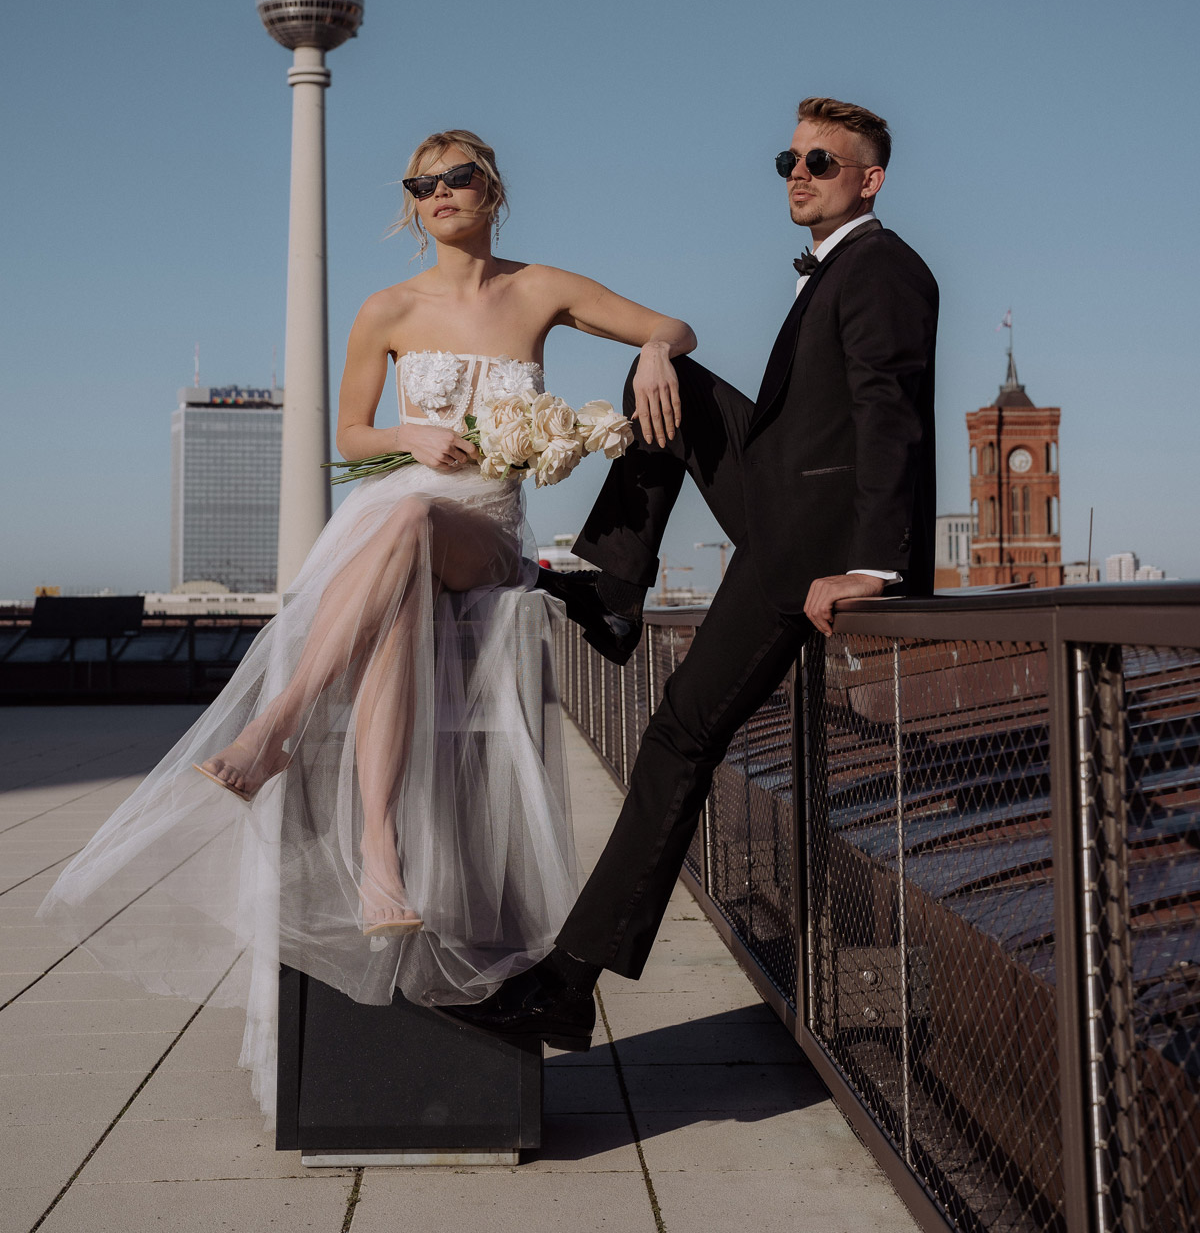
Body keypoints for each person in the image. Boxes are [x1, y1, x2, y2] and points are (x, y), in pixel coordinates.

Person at [40, 129, 695, 1115]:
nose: (437, 194)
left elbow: (673, 325)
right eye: (419, 185)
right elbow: (347, 434)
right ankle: (380, 863)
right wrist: (402, 433)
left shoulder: (542, 288)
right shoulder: (386, 308)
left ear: (492, 190)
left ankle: (273, 731)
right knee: (394, 588)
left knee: (412, 524)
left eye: (454, 178)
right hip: (395, 524)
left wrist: (651, 355)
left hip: (480, 535)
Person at [449, 96, 938, 1052]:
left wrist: (874, 569)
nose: (799, 172)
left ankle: (568, 979)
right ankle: (616, 587)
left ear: (869, 179)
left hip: (808, 549)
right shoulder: (833, 268)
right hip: (781, 501)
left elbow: (893, 417)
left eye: (823, 162)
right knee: (654, 377)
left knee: (680, 734)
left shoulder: (884, 268)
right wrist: (658, 350)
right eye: (789, 159)